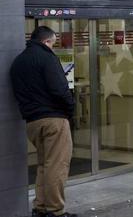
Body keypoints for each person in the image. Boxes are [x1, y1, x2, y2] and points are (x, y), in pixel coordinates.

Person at [10, 26, 76, 217]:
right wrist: (70, 109)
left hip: (32, 122)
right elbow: (60, 89)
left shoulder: (18, 61)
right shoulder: (47, 58)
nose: (53, 47)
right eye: (53, 43)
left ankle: (40, 207)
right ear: (47, 41)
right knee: (57, 166)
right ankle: (55, 211)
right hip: (53, 119)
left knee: (44, 165)